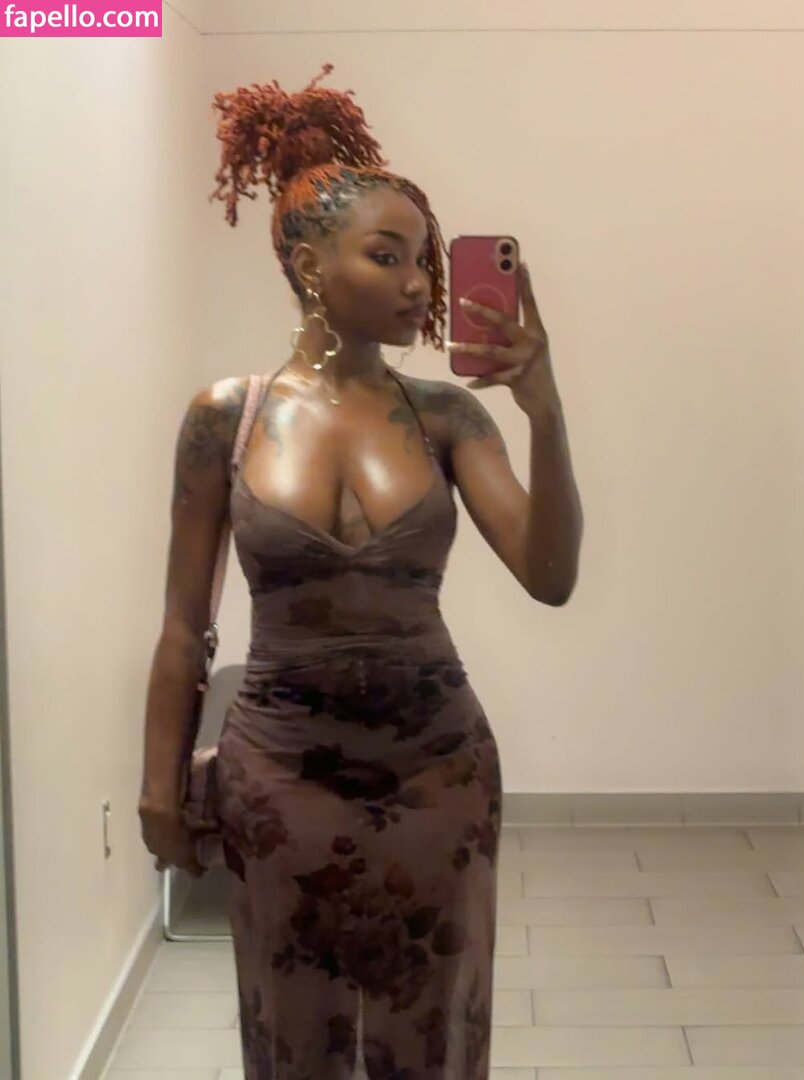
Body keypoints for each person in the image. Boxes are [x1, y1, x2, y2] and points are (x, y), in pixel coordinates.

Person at [138, 63, 582, 1080]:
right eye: (389, 257)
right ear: (308, 264)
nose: (420, 284)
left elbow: (550, 574)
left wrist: (545, 412)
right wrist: (159, 784)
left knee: (433, 1034)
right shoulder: (226, 418)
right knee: (291, 1035)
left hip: (437, 767)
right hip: (277, 771)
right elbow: (184, 626)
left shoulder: (447, 416)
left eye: (424, 260)